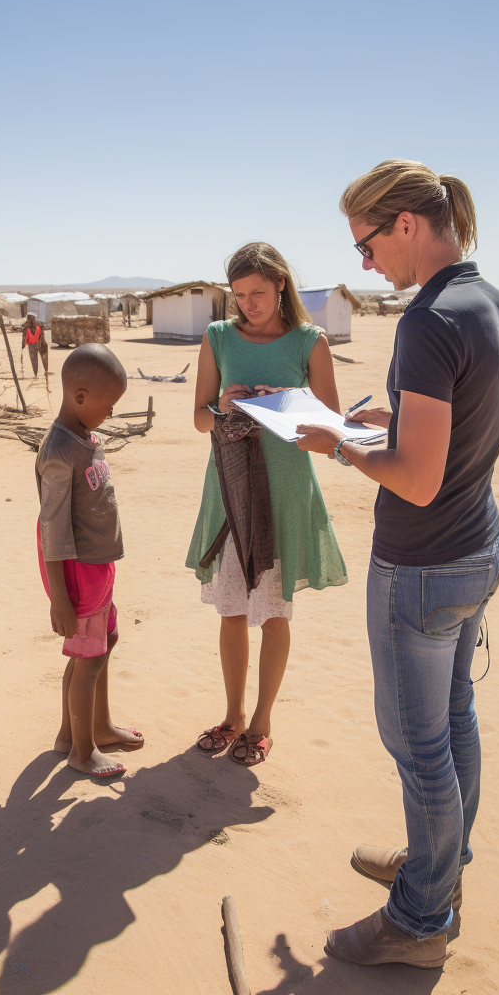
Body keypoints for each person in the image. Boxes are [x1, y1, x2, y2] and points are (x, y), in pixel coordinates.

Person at [294, 160, 499, 968]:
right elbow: (466, 420)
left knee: (417, 743)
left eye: (365, 244)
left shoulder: (428, 320)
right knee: (453, 721)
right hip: (476, 547)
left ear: (404, 225)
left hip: (422, 566)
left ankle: (421, 920)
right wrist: (391, 413)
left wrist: (341, 445)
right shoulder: (489, 301)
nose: (365, 265)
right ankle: (440, 867)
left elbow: (419, 480)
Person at [186, 242, 347, 767]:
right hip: (230, 487)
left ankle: (261, 722)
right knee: (231, 610)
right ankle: (232, 717)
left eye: (257, 292)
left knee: (273, 615)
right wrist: (225, 406)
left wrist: (286, 402)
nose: (248, 304)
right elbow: (200, 420)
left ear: (281, 283)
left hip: (285, 491)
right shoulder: (217, 337)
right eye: (238, 295)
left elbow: (332, 429)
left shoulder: (310, 342)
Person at [35, 343, 143, 779]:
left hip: (97, 566)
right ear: (80, 397)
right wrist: (59, 599)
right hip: (76, 572)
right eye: (108, 406)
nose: (111, 415)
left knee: (101, 645)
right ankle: (82, 751)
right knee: (89, 658)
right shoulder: (60, 453)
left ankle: (89, 728)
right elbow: (54, 531)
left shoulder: (83, 435)